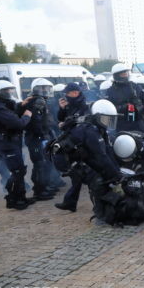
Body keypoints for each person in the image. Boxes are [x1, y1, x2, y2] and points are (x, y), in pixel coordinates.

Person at [48, 99, 123, 223]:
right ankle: (100, 215)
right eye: (107, 118)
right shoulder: (91, 131)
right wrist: (116, 176)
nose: (109, 122)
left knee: (99, 173)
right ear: (98, 117)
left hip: (79, 156)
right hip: (66, 160)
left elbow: (107, 151)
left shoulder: (98, 127)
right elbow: (101, 157)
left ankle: (70, 203)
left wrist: (117, 171)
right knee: (97, 179)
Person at [0, 80, 34, 210]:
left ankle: (21, 197)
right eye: (6, 91)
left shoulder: (3, 104)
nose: (9, 93)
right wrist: (27, 116)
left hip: (11, 141)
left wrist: (21, 105)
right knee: (17, 171)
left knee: (19, 170)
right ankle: (13, 200)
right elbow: (17, 123)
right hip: (7, 142)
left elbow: (13, 112)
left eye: (10, 90)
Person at [54, 82, 91, 212]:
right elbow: (60, 118)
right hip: (72, 140)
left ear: (75, 92)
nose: (66, 95)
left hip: (83, 141)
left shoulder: (83, 104)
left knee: (87, 173)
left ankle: (98, 203)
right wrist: (62, 109)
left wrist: (65, 124)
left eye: (68, 93)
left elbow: (79, 120)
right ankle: (70, 202)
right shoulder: (70, 104)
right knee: (77, 173)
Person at [23, 78, 59, 201]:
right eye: (42, 88)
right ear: (36, 89)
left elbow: (45, 120)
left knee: (45, 163)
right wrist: (42, 135)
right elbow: (36, 122)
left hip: (42, 136)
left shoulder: (42, 100)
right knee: (39, 164)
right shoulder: (37, 101)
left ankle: (45, 186)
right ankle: (39, 191)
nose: (45, 91)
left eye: (47, 88)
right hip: (36, 138)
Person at [105, 63, 144, 133]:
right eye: (123, 74)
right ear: (116, 75)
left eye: (126, 73)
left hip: (137, 121)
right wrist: (124, 107)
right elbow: (108, 109)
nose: (126, 75)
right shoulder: (110, 91)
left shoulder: (135, 86)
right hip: (122, 124)